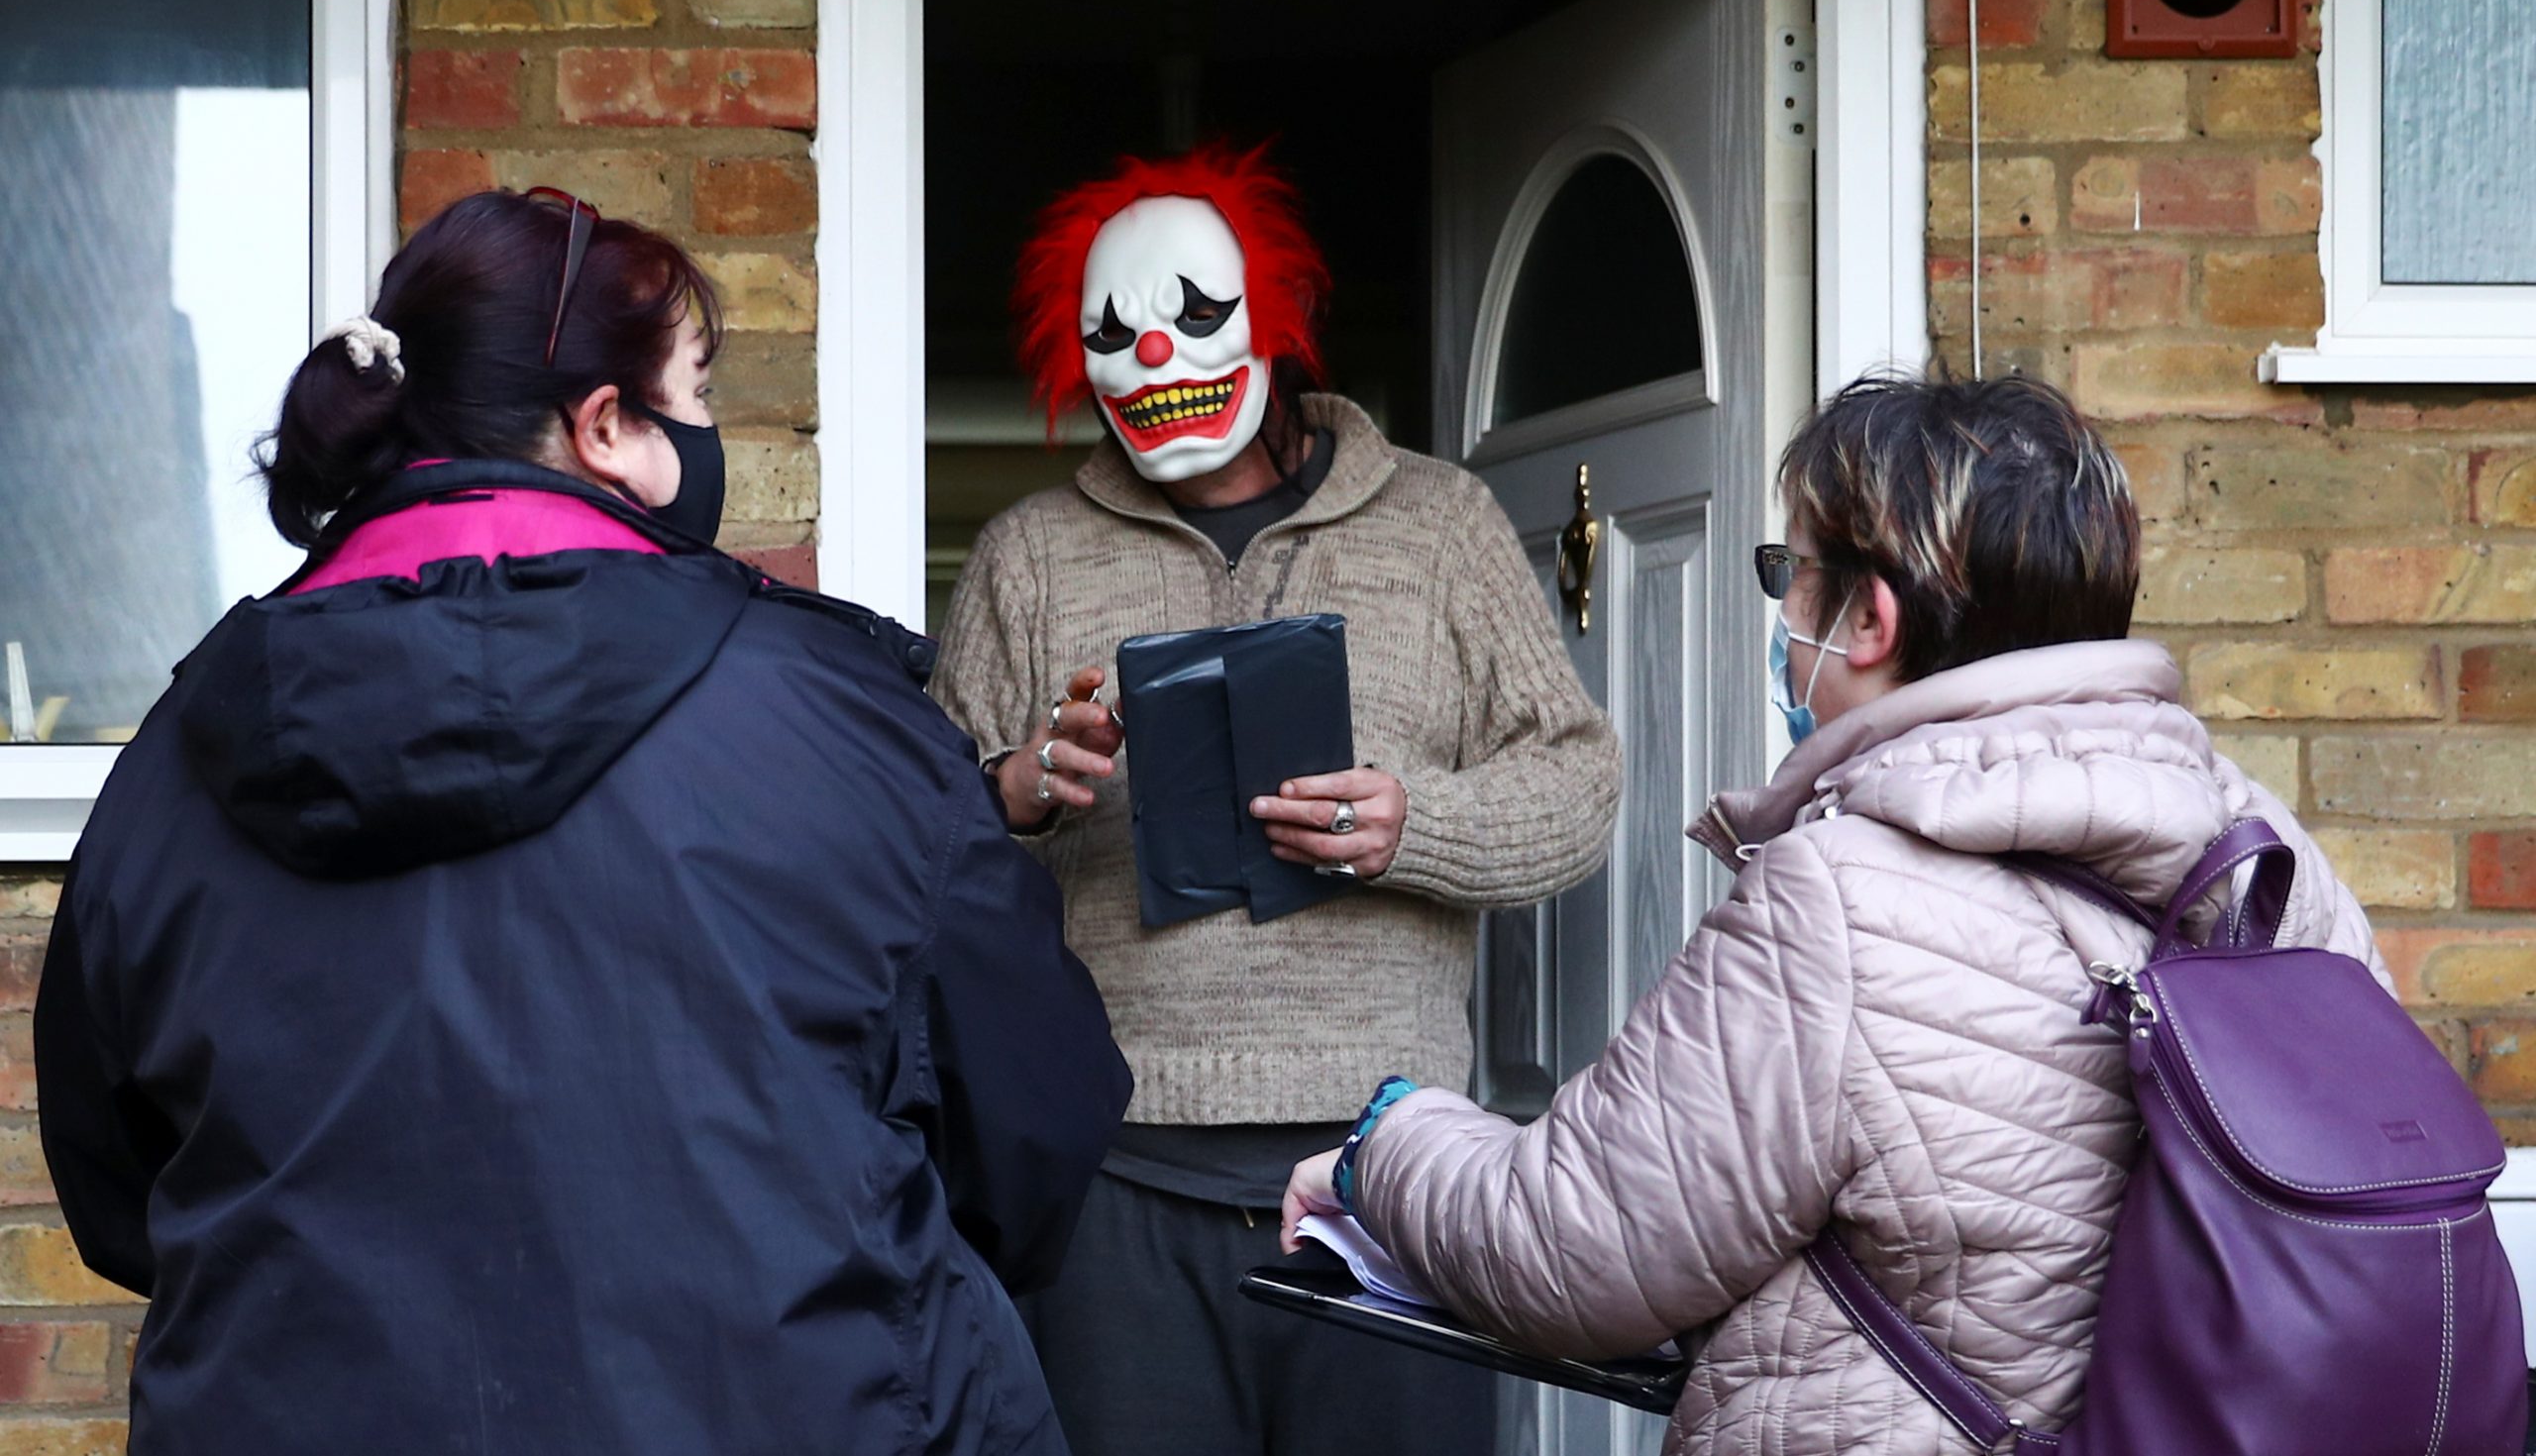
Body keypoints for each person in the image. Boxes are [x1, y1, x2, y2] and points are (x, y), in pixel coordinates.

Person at [34, 188, 1131, 1456]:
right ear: (607, 427)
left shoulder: (175, 759)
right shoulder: (845, 727)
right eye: (700, 396)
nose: (709, 432)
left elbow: (120, 1191)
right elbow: (1030, 1133)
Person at [1281, 372, 2386, 1456]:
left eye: (1789, 574)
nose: (1782, 613)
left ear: (1868, 617)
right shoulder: (2267, 860)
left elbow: (1573, 1246)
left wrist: (1386, 1140)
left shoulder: (1838, 899)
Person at [928, 144, 1620, 1456]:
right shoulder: (1032, 554)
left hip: (1390, 1183)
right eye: (1113, 334)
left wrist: (1421, 826)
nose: (1157, 353)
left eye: (1191, 314)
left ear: (1275, 312)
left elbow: (1580, 782)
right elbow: (912, 842)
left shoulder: (1440, 525)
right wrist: (1017, 792)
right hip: (1114, 1178)